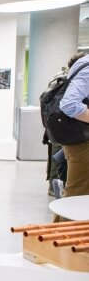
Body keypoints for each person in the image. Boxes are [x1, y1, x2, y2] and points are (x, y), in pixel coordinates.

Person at [57, 52, 89, 201]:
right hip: (83, 142)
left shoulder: (81, 64)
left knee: (75, 196)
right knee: (76, 198)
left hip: (78, 138)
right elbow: (69, 105)